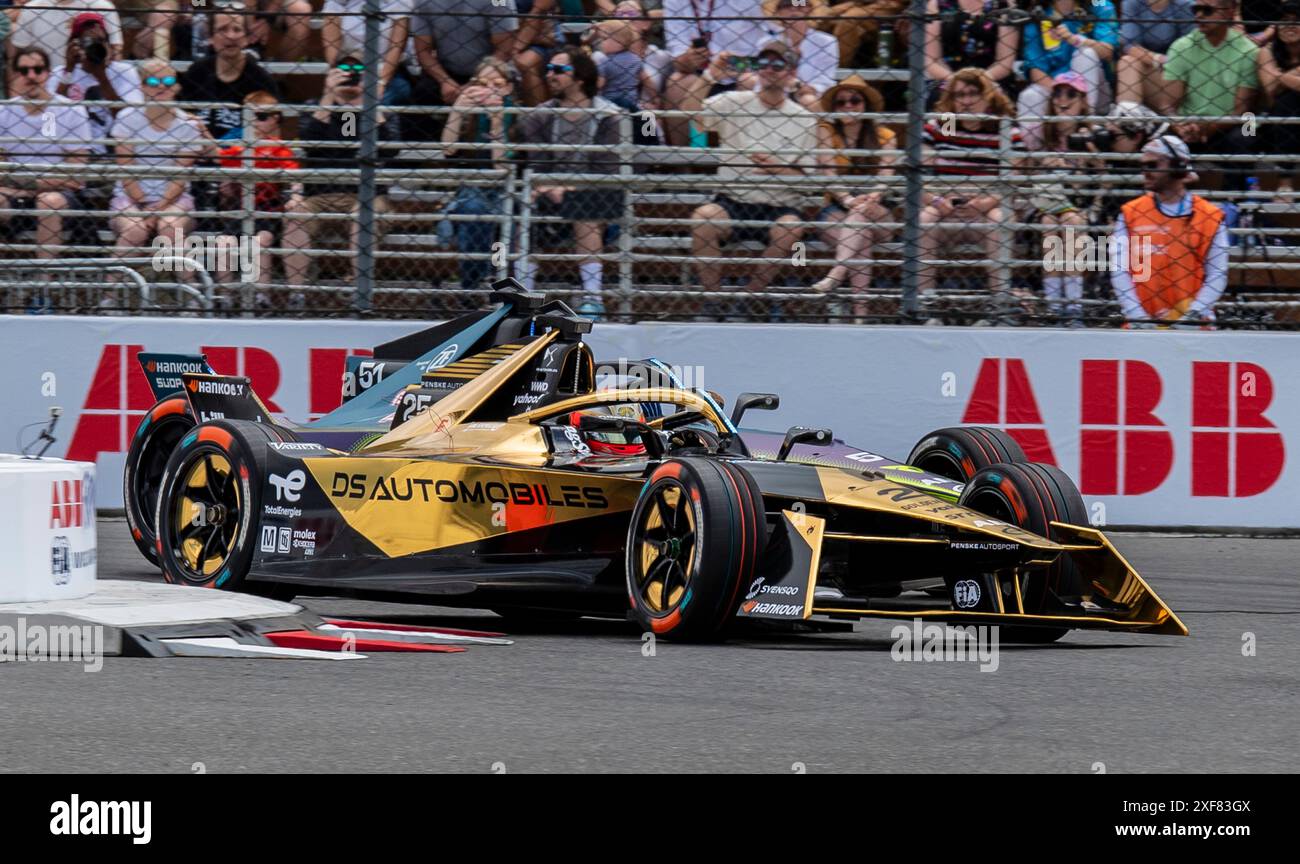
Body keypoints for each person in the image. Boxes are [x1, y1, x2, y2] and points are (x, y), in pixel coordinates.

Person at [689, 40, 819, 303]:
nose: (769, 69)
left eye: (778, 64)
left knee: (791, 230)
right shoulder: (733, 102)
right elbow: (686, 112)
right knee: (703, 219)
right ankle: (714, 300)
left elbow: (809, 182)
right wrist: (710, 75)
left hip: (780, 205)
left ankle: (750, 297)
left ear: (791, 72)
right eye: (763, 63)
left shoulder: (804, 119)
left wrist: (776, 169)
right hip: (733, 200)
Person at [282, 54, 402, 295]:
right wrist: (329, 95)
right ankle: (297, 293)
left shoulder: (382, 111)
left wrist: (370, 101)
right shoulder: (316, 107)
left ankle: (360, 292)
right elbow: (309, 141)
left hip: (366, 194)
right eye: (344, 70)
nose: (351, 75)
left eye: (358, 70)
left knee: (363, 215)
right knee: (296, 216)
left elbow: (390, 148)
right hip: (320, 194)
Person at [516, 49, 623, 316]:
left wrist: (569, 189)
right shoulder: (541, 115)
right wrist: (551, 187)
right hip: (547, 188)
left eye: (558, 70)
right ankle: (522, 297)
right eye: (549, 68)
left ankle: (592, 297)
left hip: (597, 194)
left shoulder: (608, 116)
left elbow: (608, 171)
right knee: (523, 210)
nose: (549, 74)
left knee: (584, 211)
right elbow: (536, 163)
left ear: (580, 78)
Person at [918, 66, 1019, 301]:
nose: (966, 101)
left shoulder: (1004, 128)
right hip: (945, 207)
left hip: (986, 209)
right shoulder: (943, 126)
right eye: (959, 95)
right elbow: (919, 174)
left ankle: (1000, 301)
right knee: (924, 218)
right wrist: (936, 200)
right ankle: (924, 300)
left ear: (988, 96)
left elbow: (1014, 180)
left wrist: (986, 203)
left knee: (999, 218)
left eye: (973, 93)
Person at [1110, 135, 1228, 326]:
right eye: (1143, 166)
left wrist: (1193, 316)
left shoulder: (1210, 216)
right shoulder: (1129, 213)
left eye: (1152, 165)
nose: (1145, 172)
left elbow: (1218, 274)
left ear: (1178, 165)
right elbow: (1119, 270)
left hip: (1194, 323)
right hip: (1141, 322)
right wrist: (1137, 316)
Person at [811, 75, 898, 318]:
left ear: (865, 105)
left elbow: (886, 174)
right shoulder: (827, 131)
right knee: (862, 237)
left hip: (878, 209)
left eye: (855, 100)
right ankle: (861, 313)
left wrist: (872, 196)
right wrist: (849, 199)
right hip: (838, 207)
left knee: (860, 219)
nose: (848, 106)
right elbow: (828, 173)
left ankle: (835, 277)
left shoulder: (885, 135)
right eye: (841, 102)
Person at [110, 61, 208, 266]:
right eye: (153, 81)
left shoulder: (187, 125)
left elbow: (179, 179)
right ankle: (110, 293)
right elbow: (127, 173)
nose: (162, 86)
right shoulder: (126, 119)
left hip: (174, 199)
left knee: (170, 228)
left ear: (177, 86)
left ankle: (191, 293)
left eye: (169, 81)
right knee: (135, 229)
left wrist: (157, 211)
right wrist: (145, 206)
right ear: (142, 87)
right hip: (131, 198)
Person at [1025, 72, 1105, 324]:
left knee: (1070, 223)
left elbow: (1103, 179)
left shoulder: (1091, 136)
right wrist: (1040, 162)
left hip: (1078, 204)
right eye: (1057, 93)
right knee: (1050, 225)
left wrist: (1087, 159)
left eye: (1071, 94)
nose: (1063, 99)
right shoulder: (1040, 133)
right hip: (1043, 203)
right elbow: (1020, 170)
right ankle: (1055, 306)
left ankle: (1073, 307)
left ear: (1083, 101)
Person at [0, 46, 92, 260]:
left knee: (48, 202)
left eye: (37, 69)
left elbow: (74, 176)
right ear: (15, 75)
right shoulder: (4, 111)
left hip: (62, 197)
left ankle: (45, 286)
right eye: (24, 71)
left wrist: (24, 186)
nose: (31, 76)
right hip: (14, 196)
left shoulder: (71, 111)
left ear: (48, 73)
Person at [439, 58, 518, 293]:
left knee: (502, 216)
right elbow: (448, 149)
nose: (489, 89)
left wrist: (496, 123)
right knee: (474, 209)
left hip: (507, 187)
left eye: (497, 83)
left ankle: (496, 275)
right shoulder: (470, 112)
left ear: (508, 87)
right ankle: (473, 281)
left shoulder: (515, 114)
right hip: (472, 186)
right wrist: (458, 111)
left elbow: (501, 167)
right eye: (482, 83)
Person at [1162, 0, 1259, 188]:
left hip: (1235, 122)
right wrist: (1180, 125)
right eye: (1195, 10)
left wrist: (1207, 128)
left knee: (1249, 129)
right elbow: (1167, 103)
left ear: (1228, 12)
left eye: (1207, 10)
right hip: (1190, 124)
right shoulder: (1181, 46)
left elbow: (1242, 109)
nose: (1199, 15)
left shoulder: (1248, 50)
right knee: (1162, 141)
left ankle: (1234, 203)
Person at [217, 91, 300, 288]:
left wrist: (296, 193)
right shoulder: (238, 148)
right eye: (249, 116)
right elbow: (218, 158)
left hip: (267, 211)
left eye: (261, 117)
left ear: (275, 119)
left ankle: (261, 295)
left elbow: (294, 176)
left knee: (260, 240)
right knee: (224, 242)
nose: (254, 122)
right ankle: (225, 296)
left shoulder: (280, 149)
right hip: (239, 209)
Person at [660, 0, 768, 145]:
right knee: (677, 83)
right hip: (704, 74)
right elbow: (679, 59)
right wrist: (690, 58)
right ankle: (687, 161)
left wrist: (739, 65)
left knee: (749, 81)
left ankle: (741, 156)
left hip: (747, 68)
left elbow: (773, 36)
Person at [410, 0, 519, 140]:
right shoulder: (423, 2)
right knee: (422, 93)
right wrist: (445, 81)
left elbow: (505, 49)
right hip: (445, 71)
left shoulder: (498, 2)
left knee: (499, 93)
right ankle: (431, 157)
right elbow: (423, 51)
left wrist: (475, 82)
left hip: (490, 71)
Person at [1017, 0, 1119, 141]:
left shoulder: (1099, 3)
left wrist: (1074, 39)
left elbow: (1107, 51)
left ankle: (1088, 127)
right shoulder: (1038, 12)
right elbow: (1035, 69)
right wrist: (1062, 96)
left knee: (1086, 54)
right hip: (1055, 90)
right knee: (1030, 96)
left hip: (1096, 93)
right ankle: (1036, 155)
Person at [178, 9, 280, 140]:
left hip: (242, 156)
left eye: (237, 30)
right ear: (210, 38)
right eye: (222, 29)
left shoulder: (261, 79)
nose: (230, 36)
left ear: (247, 38)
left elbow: (274, 132)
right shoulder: (197, 72)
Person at [53, 12, 142, 158]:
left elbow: (131, 121)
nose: (93, 47)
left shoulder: (125, 71)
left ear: (108, 44)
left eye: (99, 41)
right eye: (87, 42)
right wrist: (69, 69)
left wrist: (102, 76)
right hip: (70, 151)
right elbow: (48, 120)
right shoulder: (60, 74)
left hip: (114, 152)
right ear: (74, 45)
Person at [746, 0, 839, 107]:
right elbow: (761, 75)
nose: (794, 7)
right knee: (747, 80)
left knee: (809, 100)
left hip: (809, 95)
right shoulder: (766, 42)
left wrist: (800, 87)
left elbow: (824, 81)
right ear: (778, 12)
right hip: (773, 91)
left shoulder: (826, 42)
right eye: (786, 4)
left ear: (810, 8)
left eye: (800, 3)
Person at [322, 0, 414, 105]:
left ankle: (369, 119)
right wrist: (338, 75)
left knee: (384, 98)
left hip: (385, 70)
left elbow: (396, 47)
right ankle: (350, 120)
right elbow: (331, 45)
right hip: (349, 68)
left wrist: (381, 83)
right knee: (340, 100)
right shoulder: (338, 2)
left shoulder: (400, 2)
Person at [924, 0, 1021, 99]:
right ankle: (948, 115)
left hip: (992, 77)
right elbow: (932, 60)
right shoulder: (936, 4)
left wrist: (978, 81)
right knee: (939, 98)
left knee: (991, 96)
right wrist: (956, 82)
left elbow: (1005, 62)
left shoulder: (1004, 4)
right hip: (947, 77)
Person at [1115, 0, 1194, 112]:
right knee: (1128, 62)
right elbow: (1130, 46)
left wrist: (1170, 64)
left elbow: (1190, 50)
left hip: (1177, 78)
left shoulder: (1184, 5)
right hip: (1150, 69)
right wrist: (1159, 60)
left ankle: (1129, 118)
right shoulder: (1132, 3)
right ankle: (1129, 120)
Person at [1259, 0, 1300, 196]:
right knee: (1243, 135)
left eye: (1296, 21)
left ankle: (1286, 182)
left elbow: (1274, 81)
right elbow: (1270, 89)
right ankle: (1284, 182)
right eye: (1284, 21)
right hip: (1256, 116)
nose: (1289, 27)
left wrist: (1277, 75)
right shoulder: (1267, 51)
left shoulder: (1270, 59)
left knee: (1289, 101)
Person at [9, 0, 123, 63]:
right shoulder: (32, 8)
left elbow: (116, 51)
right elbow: (17, 55)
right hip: (44, 83)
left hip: (94, 82)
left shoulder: (102, 6)